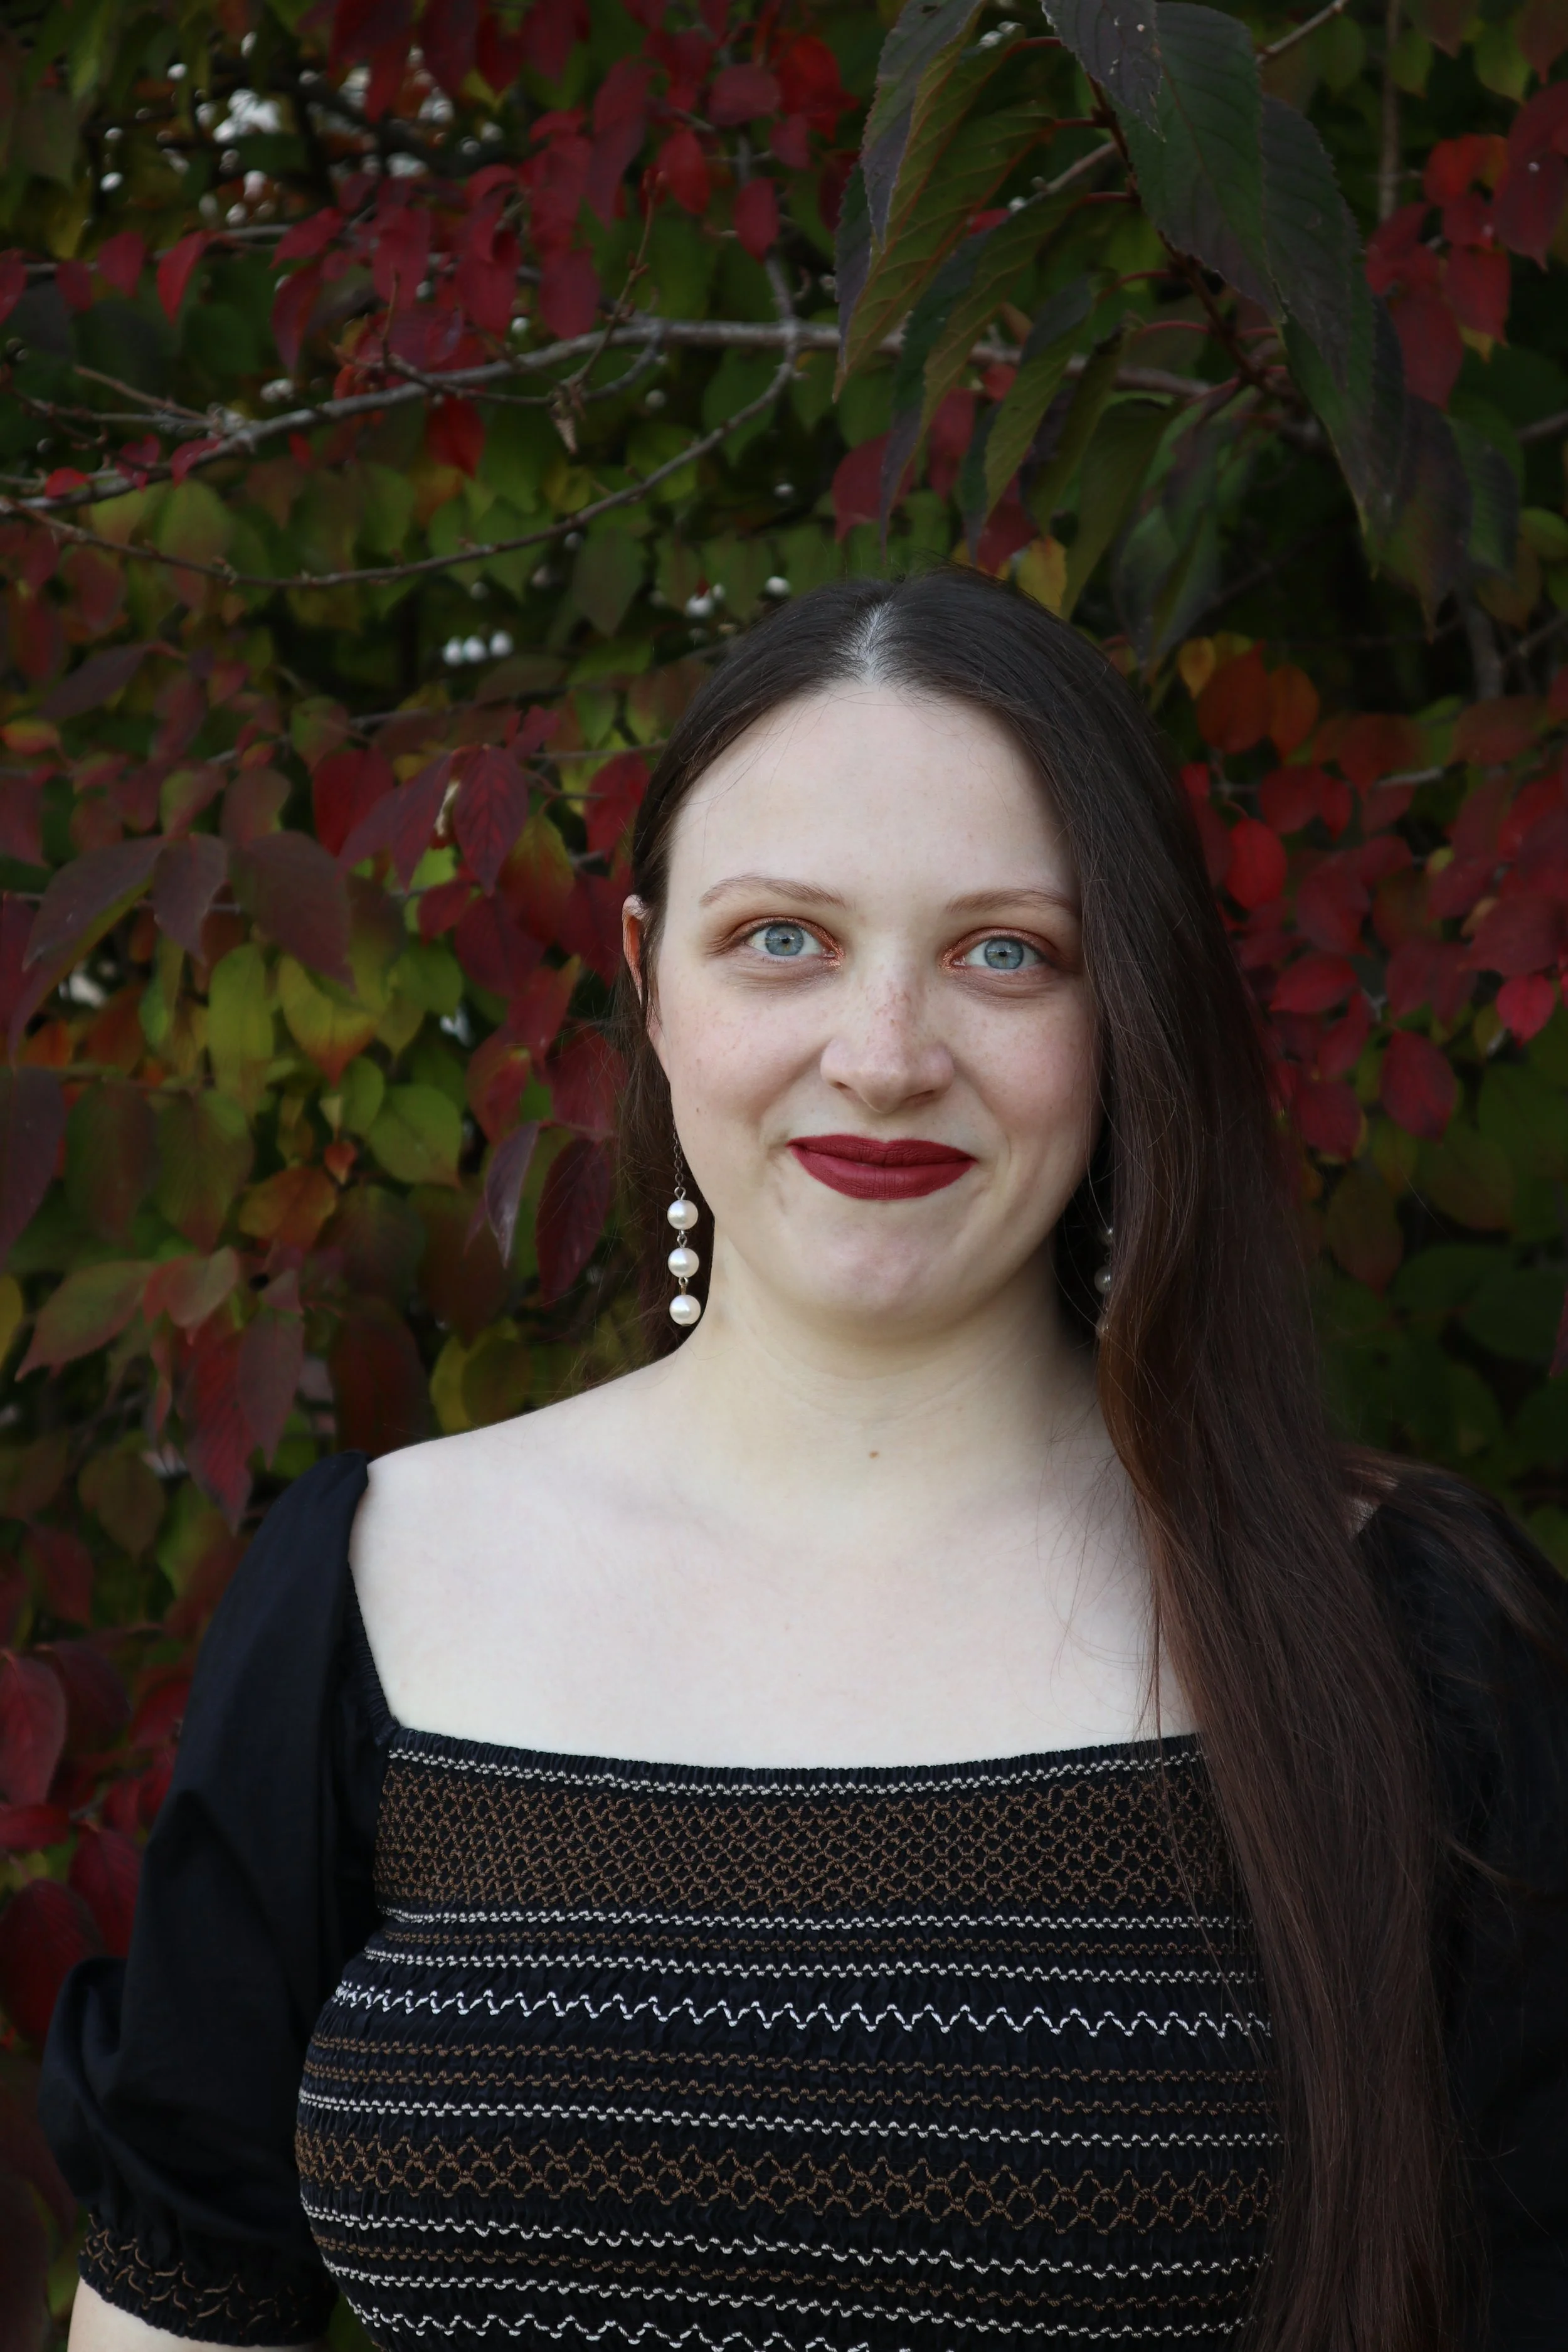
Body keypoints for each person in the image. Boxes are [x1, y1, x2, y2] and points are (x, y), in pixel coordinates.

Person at [42, 571, 1568, 2352]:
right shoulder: (371, 1583)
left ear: (1123, 1008)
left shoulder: (1405, 1631)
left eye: (1005, 950)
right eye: (782, 937)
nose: (884, 1055)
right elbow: (182, 2303)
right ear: (648, 979)